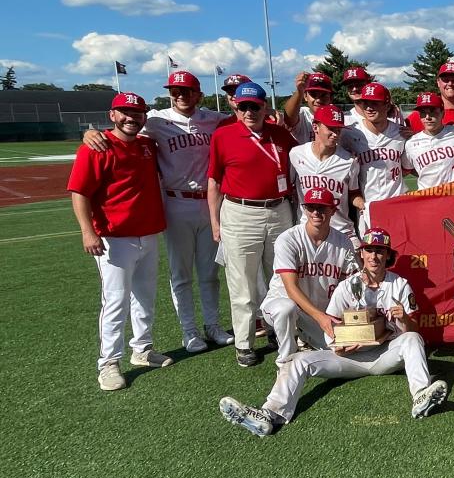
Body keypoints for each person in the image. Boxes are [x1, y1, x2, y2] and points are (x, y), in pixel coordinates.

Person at [219, 227, 450, 434]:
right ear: (361, 254)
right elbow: (330, 327)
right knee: (297, 361)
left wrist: (406, 319)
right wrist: (339, 348)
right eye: (369, 250)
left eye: (380, 251)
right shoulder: (347, 287)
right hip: (348, 358)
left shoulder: (399, 284)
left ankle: (421, 394)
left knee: (412, 338)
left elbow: (413, 331)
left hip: (386, 354)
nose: (374, 256)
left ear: (388, 255)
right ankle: (270, 414)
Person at [81, 70, 235, 352]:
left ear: (198, 94)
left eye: (186, 91)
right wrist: (90, 132)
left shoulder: (213, 119)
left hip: (211, 203)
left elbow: (246, 115)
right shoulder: (155, 120)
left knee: (210, 271)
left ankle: (212, 325)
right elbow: (119, 131)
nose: (180, 95)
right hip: (176, 202)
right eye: (175, 90)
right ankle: (189, 332)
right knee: (181, 273)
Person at [67, 92, 170, 390]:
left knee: (145, 296)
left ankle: (142, 348)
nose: (131, 118)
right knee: (115, 300)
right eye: (124, 112)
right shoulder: (96, 148)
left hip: (148, 232)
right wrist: (87, 231)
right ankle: (109, 362)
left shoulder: (147, 145)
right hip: (113, 238)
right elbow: (80, 192)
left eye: (137, 113)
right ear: (112, 114)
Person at [207, 81, 297, 367]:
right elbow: (214, 182)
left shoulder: (280, 135)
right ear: (235, 106)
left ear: (264, 107)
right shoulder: (223, 136)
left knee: (280, 278)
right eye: (243, 106)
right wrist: (214, 222)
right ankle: (245, 343)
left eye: (254, 106)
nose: (249, 112)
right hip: (240, 212)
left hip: (279, 209)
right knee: (243, 283)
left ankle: (276, 330)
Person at [259, 187, 356, 367]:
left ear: (333, 210)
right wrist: (320, 317)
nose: (316, 212)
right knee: (286, 308)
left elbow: (348, 286)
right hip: (281, 302)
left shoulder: (343, 242)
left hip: (318, 312)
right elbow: (291, 288)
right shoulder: (288, 239)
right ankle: (285, 361)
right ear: (304, 209)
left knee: (339, 351)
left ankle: (307, 340)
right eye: (311, 207)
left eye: (321, 207)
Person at [341, 82, 407, 233]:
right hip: (367, 209)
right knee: (371, 255)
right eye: (365, 103)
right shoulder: (350, 133)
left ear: (387, 105)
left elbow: (408, 168)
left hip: (397, 205)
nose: (369, 108)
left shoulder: (401, 133)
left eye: (375, 103)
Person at [289, 104, 360, 241]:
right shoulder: (296, 154)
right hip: (307, 229)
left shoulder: (350, 160)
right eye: (331, 129)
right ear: (315, 127)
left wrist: (366, 206)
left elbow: (354, 193)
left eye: (338, 130)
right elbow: (290, 189)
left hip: (341, 230)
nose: (335, 134)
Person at [403, 91, 454, 190]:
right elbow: (408, 169)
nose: (427, 117)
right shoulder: (411, 143)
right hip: (428, 199)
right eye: (423, 113)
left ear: (442, 112)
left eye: (432, 111)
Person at [283, 71, 335, 144]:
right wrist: (299, 91)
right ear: (305, 96)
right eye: (313, 95)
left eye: (323, 95)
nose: (318, 100)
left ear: (331, 98)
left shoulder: (335, 116)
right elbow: (288, 118)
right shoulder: (302, 113)